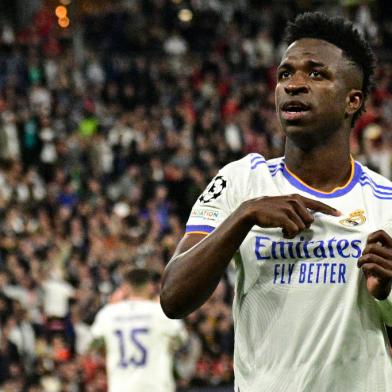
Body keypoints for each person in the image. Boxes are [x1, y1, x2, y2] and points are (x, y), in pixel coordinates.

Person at [160, 12, 392, 392]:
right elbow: (173, 297)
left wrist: (387, 290)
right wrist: (244, 216)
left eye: (316, 74)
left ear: (353, 100)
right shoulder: (240, 181)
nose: (294, 85)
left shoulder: (385, 202)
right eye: (286, 74)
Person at [91, 268, 187, 392]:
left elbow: (95, 343)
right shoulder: (160, 313)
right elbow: (181, 339)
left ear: (125, 288)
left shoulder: (108, 313)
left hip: (120, 387)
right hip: (155, 387)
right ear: (150, 287)